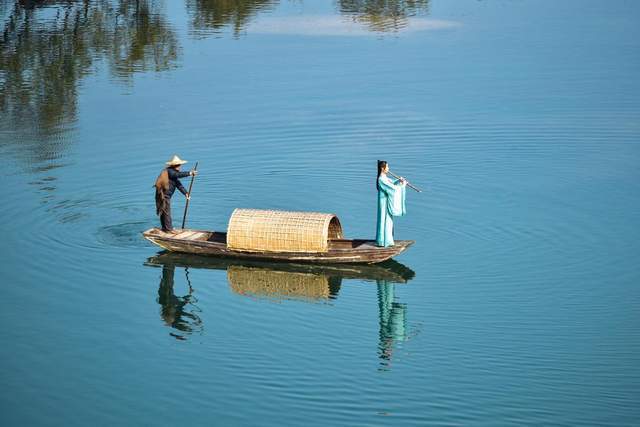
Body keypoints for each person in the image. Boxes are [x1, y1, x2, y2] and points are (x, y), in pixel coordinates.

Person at [154, 155, 197, 233]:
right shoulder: (170, 171)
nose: (180, 167)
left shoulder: (172, 172)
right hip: (163, 195)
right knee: (166, 212)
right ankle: (169, 229)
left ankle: (165, 228)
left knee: (164, 211)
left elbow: (178, 184)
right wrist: (189, 173)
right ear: (175, 165)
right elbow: (177, 175)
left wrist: (186, 193)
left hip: (165, 195)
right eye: (179, 165)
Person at [376, 160, 407, 247]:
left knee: (388, 222)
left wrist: (398, 181)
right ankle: (383, 242)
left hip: (386, 204)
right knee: (385, 221)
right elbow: (393, 189)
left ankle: (387, 241)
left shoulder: (384, 178)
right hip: (384, 205)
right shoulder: (381, 179)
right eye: (387, 167)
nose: (388, 169)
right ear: (383, 168)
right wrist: (403, 186)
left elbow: (392, 183)